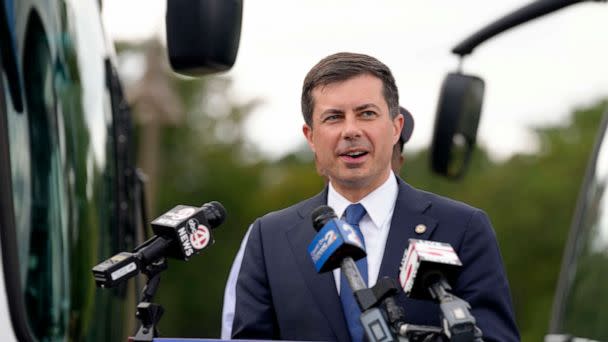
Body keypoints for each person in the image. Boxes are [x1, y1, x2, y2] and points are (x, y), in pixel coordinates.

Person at [225, 52, 519, 341]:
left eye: (367, 113)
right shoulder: (270, 237)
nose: (351, 131)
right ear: (311, 137)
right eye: (334, 117)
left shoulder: (462, 227)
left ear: (396, 128)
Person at [220, 106, 415, 339]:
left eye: (387, 152)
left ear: (399, 158)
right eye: (334, 120)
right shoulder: (269, 237)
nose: (354, 145)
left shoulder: (457, 228)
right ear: (316, 154)